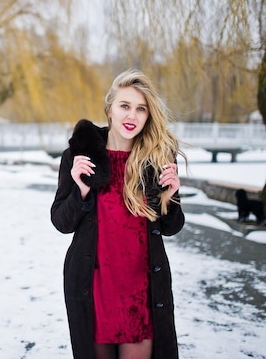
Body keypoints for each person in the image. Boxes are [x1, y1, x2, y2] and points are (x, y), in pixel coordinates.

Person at [50, 69, 186, 359]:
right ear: (109, 107)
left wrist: (171, 195)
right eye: (125, 106)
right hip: (94, 288)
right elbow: (61, 221)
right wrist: (80, 190)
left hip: (141, 291)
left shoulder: (157, 159)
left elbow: (172, 226)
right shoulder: (80, 156)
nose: (132, 116)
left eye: (141, 109)